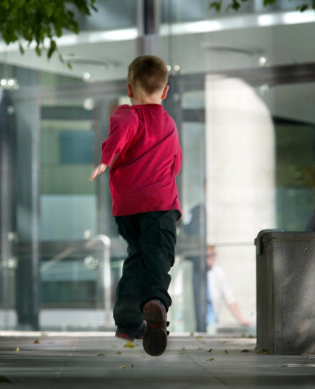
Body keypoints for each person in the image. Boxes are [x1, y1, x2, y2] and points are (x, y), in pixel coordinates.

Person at [89, 55, 182, 357]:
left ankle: (128, 322)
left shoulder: (127, 114)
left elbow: (120, 134)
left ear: (129, 89)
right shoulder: (167, 123)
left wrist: (107, 159)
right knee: (159, 259)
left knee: (137, 258)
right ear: (165, 92)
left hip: (128, 210)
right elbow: (175, 163)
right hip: (159, 205)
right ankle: (156, 304)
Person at [206, 245, 252, 330]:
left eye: (214, 255)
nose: (212, 258)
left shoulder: (218, 272)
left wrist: (241, 320)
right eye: (209, 255)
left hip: (212, 323)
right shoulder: (191, 270)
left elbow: (229, 298)